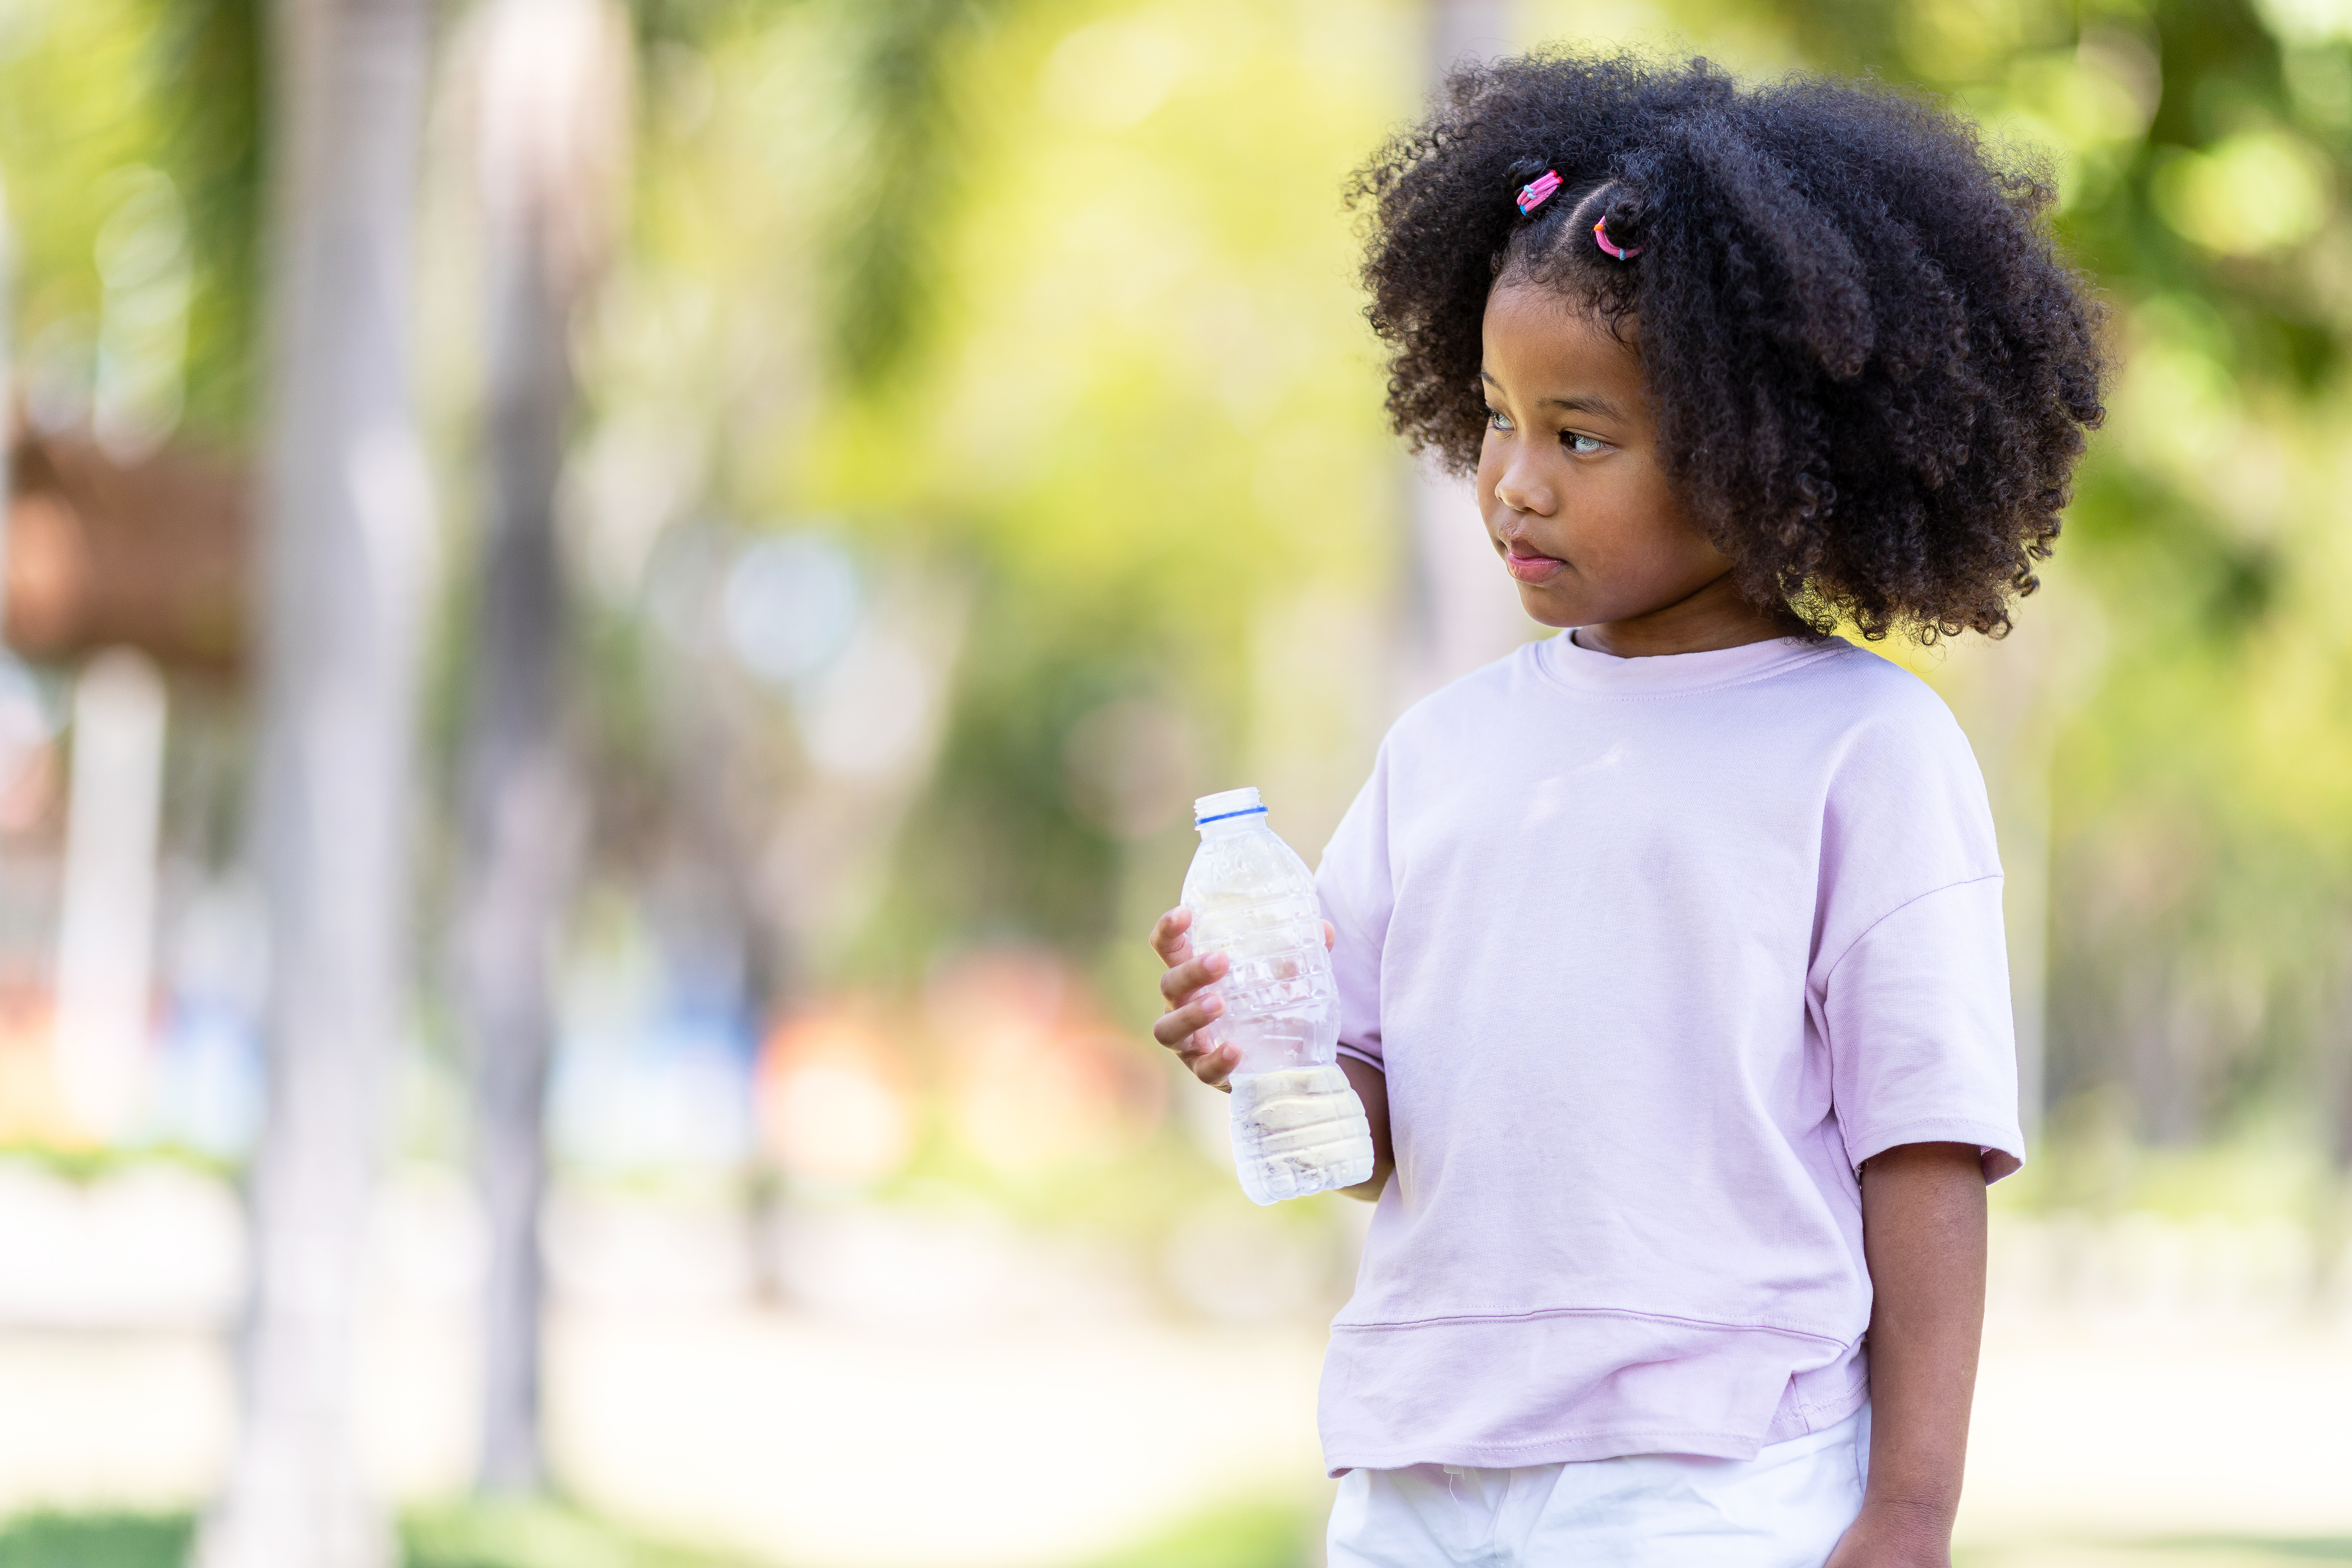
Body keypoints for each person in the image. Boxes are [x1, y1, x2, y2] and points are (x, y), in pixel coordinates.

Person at [1148, 51, 2105, 1568]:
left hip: (1714, 1465)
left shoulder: (1868, 752)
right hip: (1425, 1445)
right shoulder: (1443, 750)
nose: (1516, 482)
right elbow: (1380, 1120)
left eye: (1580, 436)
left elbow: (1923, 1149)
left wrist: (1912, 1506)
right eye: (1495, 417)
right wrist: (1269, 1038)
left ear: (1761, 454)